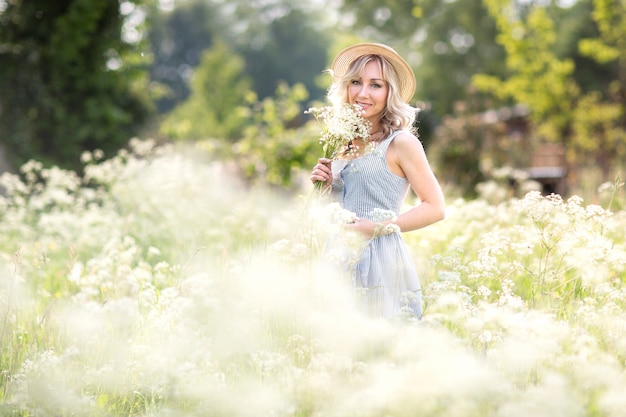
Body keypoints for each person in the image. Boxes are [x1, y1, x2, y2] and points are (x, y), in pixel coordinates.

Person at [310, 43, 445, 319]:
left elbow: (435, 207)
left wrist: (377, 227)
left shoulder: (401, 143)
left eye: (375, 85)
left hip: (381, 259)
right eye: (356, 82)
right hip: (336, 257)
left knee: (382, 350)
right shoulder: (339, 141)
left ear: (389, 93)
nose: (363, 93)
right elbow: (331, 213)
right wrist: (322, 190)